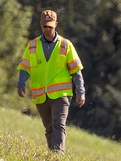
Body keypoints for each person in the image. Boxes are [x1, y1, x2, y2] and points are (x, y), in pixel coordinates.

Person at [17, 9, 85, 153]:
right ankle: (52, 154)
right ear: (41, 25)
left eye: (50, 27)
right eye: (45, 26)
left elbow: (76, 71)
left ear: (56, 25)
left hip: (61, 95)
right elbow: (25, 67)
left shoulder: (66, 45)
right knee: (49, 128)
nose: (47, 29)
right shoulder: (32, 45)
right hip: (40, 94)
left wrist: (80, 91)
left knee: (58, 124)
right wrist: (21, 83)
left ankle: (58, 155)